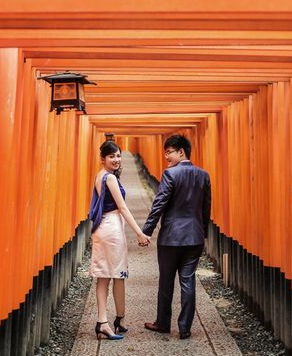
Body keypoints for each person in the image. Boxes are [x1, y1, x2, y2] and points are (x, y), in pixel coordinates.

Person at [141, 135, 211, 340]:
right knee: (188, 282)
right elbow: (206, 208)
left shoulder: (170, 174)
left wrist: (147, 231)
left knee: (166, 281)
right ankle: (185, 328)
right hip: (194, 238)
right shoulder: (203, 175)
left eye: (169, 152)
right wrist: (202, 231)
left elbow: (159, 204)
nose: (166, 157)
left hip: (171, 239)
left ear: (181, 152)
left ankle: (163, 323)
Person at [88, 141, 151, 340]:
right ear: (103, 159)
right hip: (112, 228)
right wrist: (140, 232)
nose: (116, 160)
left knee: (105, 276)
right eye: (111, 157)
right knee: (117, 275)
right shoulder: (110, 179)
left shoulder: (100, 176)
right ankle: (108, 322)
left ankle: (110, 321)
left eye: (118, 155)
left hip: (103, 228)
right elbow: (123, 208)